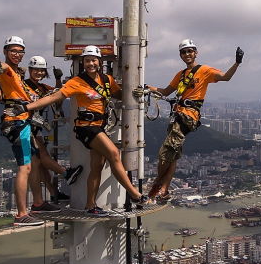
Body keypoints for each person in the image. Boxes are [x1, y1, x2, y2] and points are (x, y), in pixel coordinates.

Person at [23, 45, 143, 215]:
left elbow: (118, 94)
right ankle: (134, 194)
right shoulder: (76, 82)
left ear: (99, 62)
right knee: (114, 154)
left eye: (93, 60)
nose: (90, 63)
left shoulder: (107, 80)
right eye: (87, 61)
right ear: (83, 63)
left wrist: (136, 91)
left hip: (99, 126)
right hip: (86, 128)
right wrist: (27, 107)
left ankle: (90, 206)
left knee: (97, 166)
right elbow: (54, 97)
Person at [140, 39, 243, 201]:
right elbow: (165, 92)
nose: (187, 54)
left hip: (188, 116)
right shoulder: (180, 75)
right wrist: (147, 88)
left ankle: (157, 185)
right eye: (184, 52)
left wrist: (236, 63)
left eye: (190, 51)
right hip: (177, 115)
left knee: (165, 154)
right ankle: (164, 190)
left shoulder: (204, 70)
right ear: (180, 55)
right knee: (173, 155)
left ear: (196, 53)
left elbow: (225, 77)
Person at [0, 36, 60, 226]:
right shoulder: (8, 70)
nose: (17, 54)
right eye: (13, 50)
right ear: (5, 51)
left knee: (35, 163)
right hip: (17, 122)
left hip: (24, 122)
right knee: (25, 167)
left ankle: (38, 203)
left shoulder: (16, 74)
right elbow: (1, 68)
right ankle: (21, 213)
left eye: (20, 51)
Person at [24, 56, 82, 201]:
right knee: (43, 156)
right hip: (25, 126)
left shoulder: (43, 88)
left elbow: (57, 96)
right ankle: (66, 173)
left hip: (35, 127)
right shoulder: (23, 86)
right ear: (30, 70)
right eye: (36, 70)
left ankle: (54, 194)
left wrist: (58, 80)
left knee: (41, 164)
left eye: (41, 71)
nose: (39, 73)